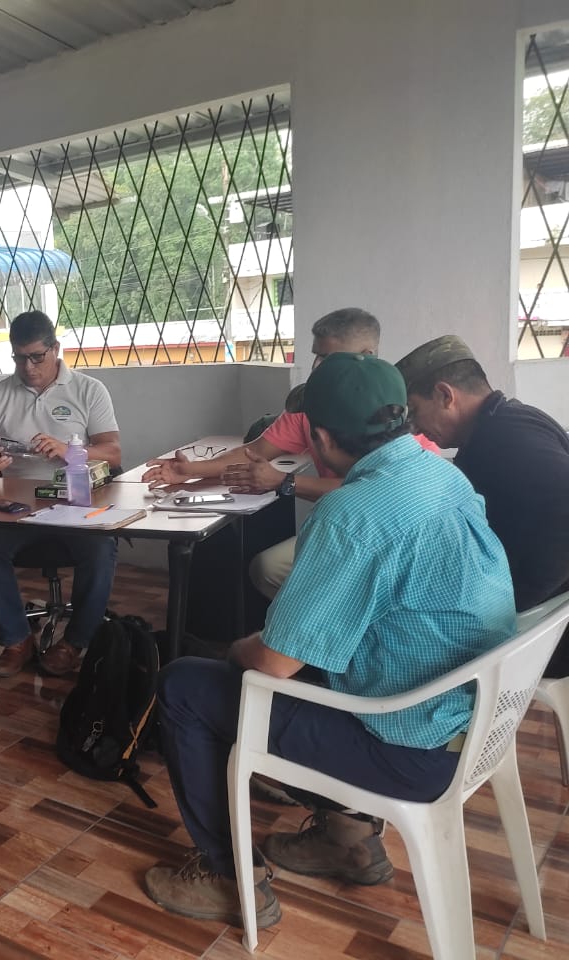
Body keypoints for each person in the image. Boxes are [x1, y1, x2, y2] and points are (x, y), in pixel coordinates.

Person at [142, 353, 515, 927]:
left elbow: (272, 664)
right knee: (309, 664)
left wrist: (234, 651)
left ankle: (227, 876)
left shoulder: (352, 514)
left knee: (186, 685)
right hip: (476, 720)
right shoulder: (442, 474)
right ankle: (349, 841)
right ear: (401, 414)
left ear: (318, 437)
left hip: (410, 752)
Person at [142, 307, 438, 599]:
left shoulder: (394, 414)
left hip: (400, 533)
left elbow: (378, 493)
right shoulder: (309, 404)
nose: (316, 367)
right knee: (266, 569)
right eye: (316, 355)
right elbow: (256, 451)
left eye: (328, 358)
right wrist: (190, 470)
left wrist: (285, 482)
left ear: (367, 356)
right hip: (342, 526)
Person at [0, 310, 121, 678]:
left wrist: (70, 450)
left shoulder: (88, 390)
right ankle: (16, 639)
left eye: (37, 357)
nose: (28, 367)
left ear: (55, 349)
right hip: (19, 506)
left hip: (76, 502)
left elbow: (113, 453)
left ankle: (75, 642)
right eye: (19, 358)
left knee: (100, 548)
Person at [397, 335, 569, 677]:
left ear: (445, 395)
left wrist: (513, 601)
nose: (415, 429)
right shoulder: (511, 419)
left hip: (535, 636)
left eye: (414, 412)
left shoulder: (507, 438)